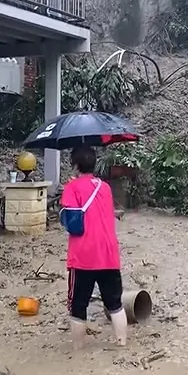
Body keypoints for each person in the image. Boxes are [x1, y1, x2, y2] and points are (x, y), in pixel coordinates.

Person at [61, 145, 127, 349]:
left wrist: (70, 187)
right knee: (115, 304)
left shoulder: (72, 187)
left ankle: (78, 350)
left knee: (78, 306)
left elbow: (71, 223)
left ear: (75, 165)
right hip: (108, 254)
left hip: (83, 257)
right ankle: (122, 344)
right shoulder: (105, 187)